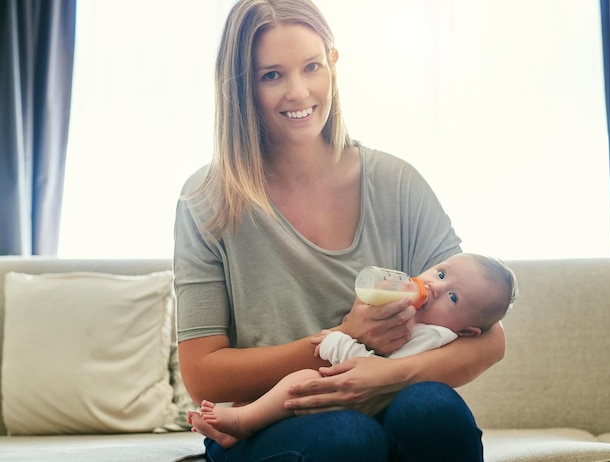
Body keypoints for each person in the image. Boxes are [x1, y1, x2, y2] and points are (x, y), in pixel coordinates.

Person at [173, 0, 507, 460]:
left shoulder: (397, 184)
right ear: (241, 86)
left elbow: (490, 337)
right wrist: (352, 335)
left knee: (433, 410)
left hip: (385, 401)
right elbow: (203, 377)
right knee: (346, 437)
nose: (298, 92)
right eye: (272, 75)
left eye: (311, 66)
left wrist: (389, 377)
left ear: (333, 62)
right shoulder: (208, 199)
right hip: (267, 424)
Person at [186, 253, 518, 449]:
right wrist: (354, 328)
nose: (434, 286)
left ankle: (243, 421)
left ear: (466, 330)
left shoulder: (434, 337)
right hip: (337, 418)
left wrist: (338, 339)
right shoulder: (409, 310)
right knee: (313, 395)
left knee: (304, 380)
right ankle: (242, 422)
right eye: (441, 273)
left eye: (453, 298)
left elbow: (370, 373)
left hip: (372, 405)